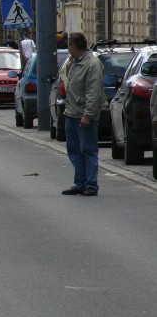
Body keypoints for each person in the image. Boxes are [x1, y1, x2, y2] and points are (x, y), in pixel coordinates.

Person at [61, 32, 104, 196]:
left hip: (84, 115)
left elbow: (94, 92)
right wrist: (70, 63)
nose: (68, 49)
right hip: (71, 112)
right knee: (74, 150)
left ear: (73, 46)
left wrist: (88, 115)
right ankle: (80, 183)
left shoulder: (92, 64)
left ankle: (91, 185)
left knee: (88, 150)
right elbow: (66, 80)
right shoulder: (75, 62)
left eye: (68, 46)